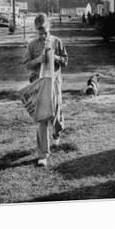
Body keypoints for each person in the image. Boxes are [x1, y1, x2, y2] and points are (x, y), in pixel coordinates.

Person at [23, 13, 68, 167]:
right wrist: (39, 59)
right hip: (39, 85)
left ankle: (57, 131)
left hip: (54, 83)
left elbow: (65, 61)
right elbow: (27, 64)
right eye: (38, 30)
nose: (41, 34)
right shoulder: (32, 45)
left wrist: (54, 57)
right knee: (42, 119)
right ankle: (43, 154)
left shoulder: (57, 42)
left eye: (43, 30)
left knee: (56, 114)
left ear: (49, 26)